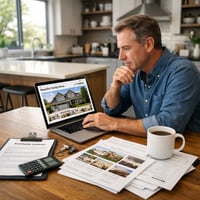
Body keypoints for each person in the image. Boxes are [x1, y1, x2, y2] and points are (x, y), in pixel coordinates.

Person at [82, 14, 200, 137]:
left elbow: (168, 125)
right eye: (120, 49)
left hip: (185, 149)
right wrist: (115, 86)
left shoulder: (183, 71)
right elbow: (112, 109)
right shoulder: (136, 70)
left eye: (126, 48)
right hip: (148, 146)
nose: (121, 57)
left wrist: (114, 124)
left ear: (148, 44)